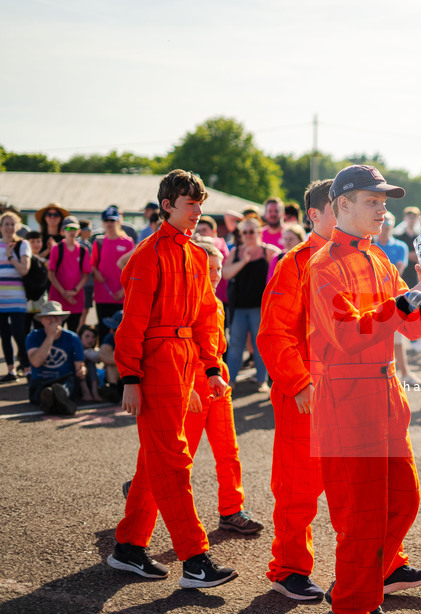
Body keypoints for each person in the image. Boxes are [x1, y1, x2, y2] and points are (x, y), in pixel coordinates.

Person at [306, 165, 421, 614]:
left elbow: (414, 326)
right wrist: (409, 299)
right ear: (342, 205)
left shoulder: (380, 257)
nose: (383, 208)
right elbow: (347, 334)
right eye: (372, 200)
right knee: (361, 518)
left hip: (385, 393)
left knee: (404, 499)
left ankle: (371, 578)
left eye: (385, 201)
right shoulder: (324, 263)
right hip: (348, 399)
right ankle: (354, 601)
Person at [107, 169, 236, 589]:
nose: (198, 211)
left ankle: (128, 546)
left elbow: (204, 319)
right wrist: (130, 377)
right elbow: (132, 323)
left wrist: (212, 368)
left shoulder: (198, 254)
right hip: (156, 360)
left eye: (201, 203)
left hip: (185, 362)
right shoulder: (149, 253)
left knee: (156, 458)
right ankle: (196, 560)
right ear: (167, 205)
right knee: (174, 458)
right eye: (190, 203)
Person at [120, 238, 264, 536]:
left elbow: (215, 348)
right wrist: (189, 389)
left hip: (216, 381)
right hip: (188, 382)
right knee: (175, 459)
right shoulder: (186, 303)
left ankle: (231, 510)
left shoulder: (218, 303)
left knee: (229, 452)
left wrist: (217, 377)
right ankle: (139, 503)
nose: (213, 274)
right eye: (208, 268)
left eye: (218, 268)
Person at [258, 179, 334, 602]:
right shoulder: (294, 263)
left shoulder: (360, 257)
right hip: (303, 396)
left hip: (348, 393)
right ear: (316, 214)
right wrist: (299, 382)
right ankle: (288, 569)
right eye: (337, 206)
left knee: (360, 485)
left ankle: (385, 564)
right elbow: (273, 334)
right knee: (297, 490)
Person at [222, 216, 279, 390]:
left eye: (251, 232)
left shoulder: (267, 251)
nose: (247, 235)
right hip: (239, 307)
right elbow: (226, 274)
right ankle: (230, 380)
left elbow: (279, 270)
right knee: (236, 345)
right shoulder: (237, 252)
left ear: (258, 232)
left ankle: (262, 381)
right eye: (244, 232)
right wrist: (244, 261)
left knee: (259, 345)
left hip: (259, 308)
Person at [374, 211, 421, 385]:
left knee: (398, 339)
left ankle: (405, 374)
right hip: (371, 299)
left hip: (394, 297)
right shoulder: (370, 245)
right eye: (383, 224)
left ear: (393, 226)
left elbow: (396, 273)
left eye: (388, 224)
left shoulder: (400, 246)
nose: (385, 228)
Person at [25, 301, 85, 415]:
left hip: (64, 378)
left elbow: (79, 364)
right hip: (41, 380)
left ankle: (54, 401)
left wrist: (81, 370)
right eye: (49, 318)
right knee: (43, 392)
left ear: (62, 319)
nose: (53, 321)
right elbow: (36, 362)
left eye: (57, 318)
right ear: (42, 320)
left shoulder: (72, 337)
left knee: (64, 387)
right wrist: (51, 336)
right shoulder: (33, 336)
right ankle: (57, 402)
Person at [91, 205, 134, 341]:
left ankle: (118, 361)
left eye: (112, 220)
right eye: (107, 221)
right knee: (103, 330)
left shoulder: (127, 242)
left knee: (121, 331)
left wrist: (123, 291)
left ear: (119, 221)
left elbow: (132, 269)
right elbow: (93, 265)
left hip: (121, 295)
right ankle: (105, 358)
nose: (109, 224)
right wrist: (96, 273)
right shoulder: (99, 241)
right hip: (102, 294)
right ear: (103, 223)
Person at [0, 211, 31, 381]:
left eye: (13, 224)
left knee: (19, 334)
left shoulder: (22, 245)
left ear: (17, 227)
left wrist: (11, 257)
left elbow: (24, 270)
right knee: (4, 336)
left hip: (17, 298)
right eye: (6, 224)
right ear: (1, 227)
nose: (9, 227)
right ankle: (11, 370)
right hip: (0, 299)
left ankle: (27, 369)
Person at [48, 216, 91, 331]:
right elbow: (51, 274)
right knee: (55, 332)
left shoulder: (83, 250)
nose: (71, 232)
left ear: (79, 232)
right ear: (62, 231)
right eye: (68, 229)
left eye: (74, 229)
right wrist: (64, 293)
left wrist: (74, 291)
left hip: (76, 300)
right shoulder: (57, 249)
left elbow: (85, 275)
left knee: (73, 333)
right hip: (58, 300)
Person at [394, 205, 421, 288]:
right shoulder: (398, 237)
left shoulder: (419, 238)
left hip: (414, 273)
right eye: (409, 217)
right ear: (405, 218)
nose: (411, 220)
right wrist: (408, 254)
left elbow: (420, 255)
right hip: (402, 273)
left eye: (414, 217)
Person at [78, 324, 104, 403]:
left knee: (91, 364)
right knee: (81, 365)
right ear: (80, 337)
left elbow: (97, 358)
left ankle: (94, 392)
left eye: (93, 337)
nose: (90, 340)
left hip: (90, 378)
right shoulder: (76, 348)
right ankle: (86, 392)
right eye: (87, 336)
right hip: (77, 379)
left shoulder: (92, 351)